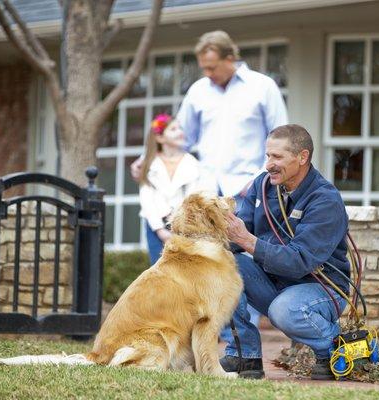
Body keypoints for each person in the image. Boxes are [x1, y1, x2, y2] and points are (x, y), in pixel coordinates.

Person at [132, 30, 287, 331]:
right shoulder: (199, 91)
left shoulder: (262, 87)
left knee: (240, 262)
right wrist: (147, 160)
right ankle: (210, 329)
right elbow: (179, 137)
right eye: (203, 67)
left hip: (248, 191)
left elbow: (280, 137)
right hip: (205, 194)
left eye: (212, 67)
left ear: (231, 58)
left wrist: (261, 179)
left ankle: (242, 341)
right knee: (206, 263)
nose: (207, 74)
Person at [221, 124, 350, 380]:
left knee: (284, 310)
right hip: (275, 282)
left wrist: (247, 240)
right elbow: (239, 236)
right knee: (222, 267)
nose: (269, 164)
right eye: (268, 155)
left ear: (302, 157)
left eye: (277, 157)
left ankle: (334, 350)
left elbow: (299, 261)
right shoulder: (263, 185)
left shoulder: (325, 199)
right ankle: (247, 355)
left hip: (320, 288)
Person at [138, 114, 210, 265]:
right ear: (160, 138)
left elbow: (197, 198)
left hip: (187, 228)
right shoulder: (149, 165)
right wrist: (160, 230)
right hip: (156, 228)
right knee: (161, 272)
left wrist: (184, 227)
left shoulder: (194, 165)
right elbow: (147, 201)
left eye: (180, 128)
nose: (180, 132)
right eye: (173, 129)